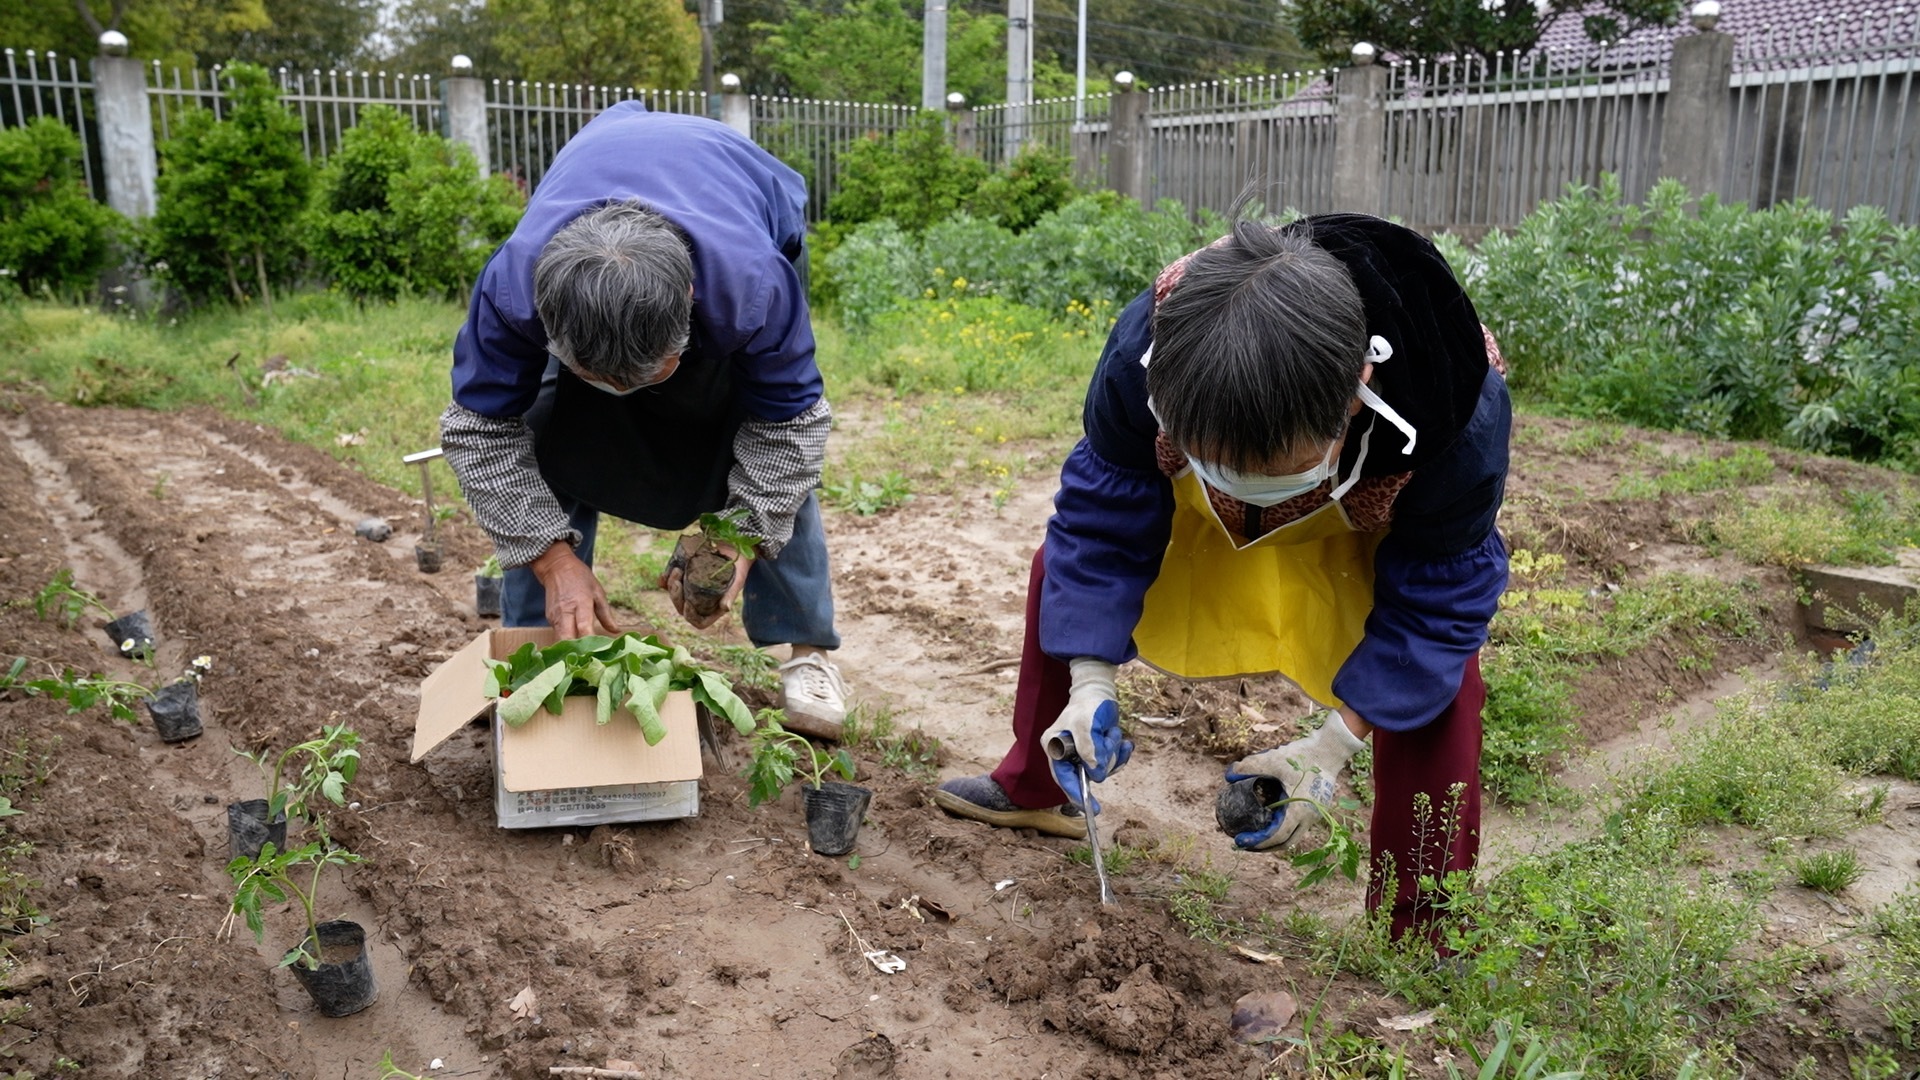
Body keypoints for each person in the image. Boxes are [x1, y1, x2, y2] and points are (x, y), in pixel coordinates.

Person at [933, 213, 1510, 940]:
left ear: (1357, 387)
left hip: (1362, 520)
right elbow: (1098, 525)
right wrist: (1090, 680)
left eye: (1269, 467)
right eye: (1222, 458)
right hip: (1200, 513)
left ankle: (1424, 919)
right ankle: (1037, 782)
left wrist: (1331, 748)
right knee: (1061, 569)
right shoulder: (1148, 343)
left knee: (1446, 683)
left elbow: (1438, 602)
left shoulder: (1458, 407)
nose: (1245, 479)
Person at [439, 102, 850, 738]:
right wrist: (551, 558)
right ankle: (537, 641)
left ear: (689, 307)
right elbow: (480, 428)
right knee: (551, 427)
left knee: (768, 427)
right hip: (598, 225)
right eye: (598, 379)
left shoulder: (755, 287)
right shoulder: (515, 287)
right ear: (548, 324)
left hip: (733, 203)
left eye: (647, 373)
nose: (621, 395)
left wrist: (740, 535)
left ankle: (808, 653)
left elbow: (790, 425)